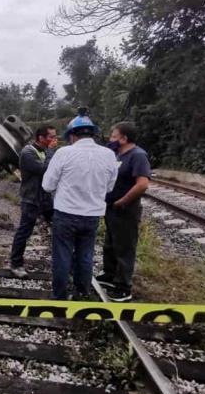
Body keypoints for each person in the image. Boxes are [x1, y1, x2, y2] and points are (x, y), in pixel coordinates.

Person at [42, 108, 118, 300]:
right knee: (85, 256)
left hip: (66, 214)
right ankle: (81, 293)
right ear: (93, 133)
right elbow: (109, 188)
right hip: (92, 215)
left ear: (72, 135)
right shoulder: (109, 155)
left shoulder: (63, 153)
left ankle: (59, 296)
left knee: (62, 256)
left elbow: (47, 185)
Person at [98, 122, 151, 302]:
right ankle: (110, 275)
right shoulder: (116, 154)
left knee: (125, 247)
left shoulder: (138, 155)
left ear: (124, 138)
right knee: (111, 242)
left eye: (114, 136)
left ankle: (123, 286)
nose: (111, 139)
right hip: (111, 207)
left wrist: (122, 201)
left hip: (126, 208)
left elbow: (142, 184)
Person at [9, 125, 57, 277]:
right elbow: (45, 169)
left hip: (46, 198)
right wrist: (51, 151)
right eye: (51, 137)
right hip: (31, 199)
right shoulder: (28, 152)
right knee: (24, 231)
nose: (54, 140)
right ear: (41, 138)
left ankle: (62, 262)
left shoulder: (45, 151)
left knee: (60, 227)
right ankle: (16, 264)